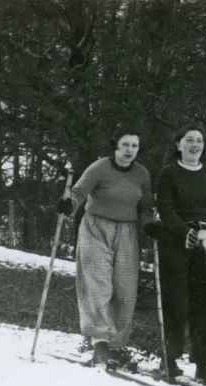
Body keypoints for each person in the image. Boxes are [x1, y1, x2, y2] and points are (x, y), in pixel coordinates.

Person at [57, 128, 152, 367]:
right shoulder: (100, 167)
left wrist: (149, 223)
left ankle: (116, 346)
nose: (130, 150)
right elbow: (78, 192)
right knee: (97, 282)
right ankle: (99, 343)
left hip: (128, 232)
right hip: (96, 227)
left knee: (125, 287)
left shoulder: (142, 173)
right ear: (116, 146)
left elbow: (147, 204)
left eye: (134, 146)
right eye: (125, 145)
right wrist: (69, 205)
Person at [142, 123, 206, 385]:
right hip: (175, 244)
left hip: (202, 246)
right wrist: (183, 233)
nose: (194, 145)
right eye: (189, 140)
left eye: (199, 141)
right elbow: (165, 209)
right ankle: (169, 360)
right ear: (179, 145)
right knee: (176, 302)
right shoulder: (169, 173)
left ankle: (202, 364)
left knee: (203, 306)